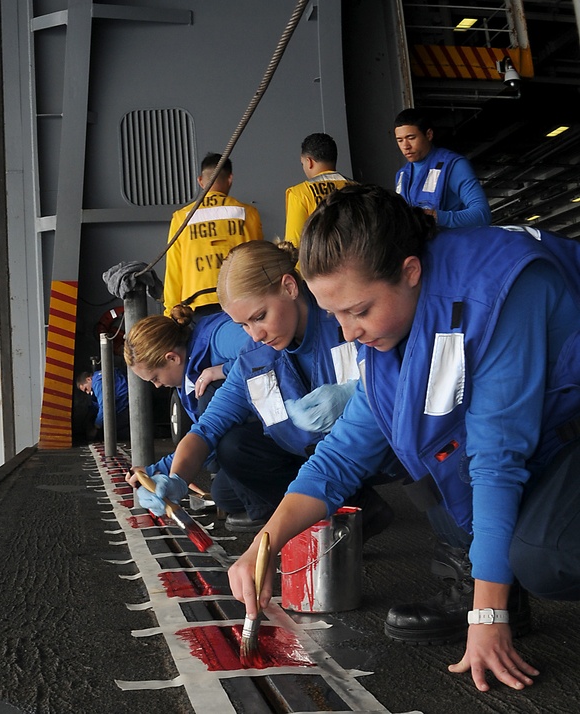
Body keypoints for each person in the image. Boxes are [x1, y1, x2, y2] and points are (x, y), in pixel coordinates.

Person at [227, 184, 580, 694]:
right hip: (549, 431)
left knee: (546, 554)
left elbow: (498, 458)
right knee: (440, 479)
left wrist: (485, 617)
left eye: (359, 310)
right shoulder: (393, 327)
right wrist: (265, 544)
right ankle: (499, 585)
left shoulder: (500, 289)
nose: (347, 333)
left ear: (410, 271)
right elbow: (341, 456)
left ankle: (498, 591)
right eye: (334, 316)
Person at [130, 241, 392, 535]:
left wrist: (359, 393)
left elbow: (404, 370)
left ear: (290, 287)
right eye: (243, 325)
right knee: (232, 457)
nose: (255, 335)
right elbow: (206, 430)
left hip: (382, 446)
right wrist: (173, 475)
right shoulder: (254, 359)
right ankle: (352, 514)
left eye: (259, 317)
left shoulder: (345, 319)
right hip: (320, 458)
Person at [163, 153, 263, 316]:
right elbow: (259, 261)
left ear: (201, 181)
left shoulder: (182, 217)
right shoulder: (249, 213)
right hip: (241, 301)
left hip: (196, 306)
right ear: (230, 179)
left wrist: (170, 312)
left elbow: (173, 270)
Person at [393, 108, 490, 228]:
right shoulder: (402, 175)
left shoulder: (453, 165)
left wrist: (436, 217)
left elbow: (482, 215)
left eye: (411, 138)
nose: (405, 146)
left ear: (429, 134)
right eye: (400, 140)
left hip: (452, 244)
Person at [283, 133, 352, 247]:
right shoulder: (358, 188)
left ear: (309, 162)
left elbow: (294, 245)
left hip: (317, 264)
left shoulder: (299, 194)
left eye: (302, 163)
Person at [76, 368, 129, 437]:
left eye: (86, 389)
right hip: (126, 399)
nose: (88, 392)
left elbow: (105, 406)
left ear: (88, 379)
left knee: (110, 430)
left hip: (128, 403)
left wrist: (96, 426)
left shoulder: (97, 383)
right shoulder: (100, 374)